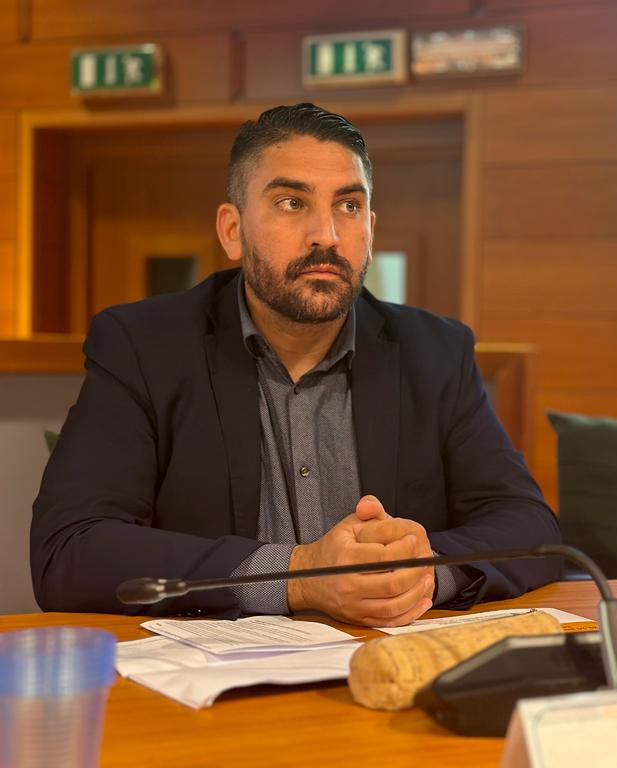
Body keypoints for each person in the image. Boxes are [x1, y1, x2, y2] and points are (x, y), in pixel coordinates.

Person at [31, 103, 561, 625]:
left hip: (384, 660)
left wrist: (425, 572)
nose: (326, 234)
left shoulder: (435, 352)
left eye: (348, 206)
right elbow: (70, 550)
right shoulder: (144, 347)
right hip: (223, 672)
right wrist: (299, 575)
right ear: (232, 230)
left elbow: (529, 525)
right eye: (291, 202)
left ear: (370, 230)